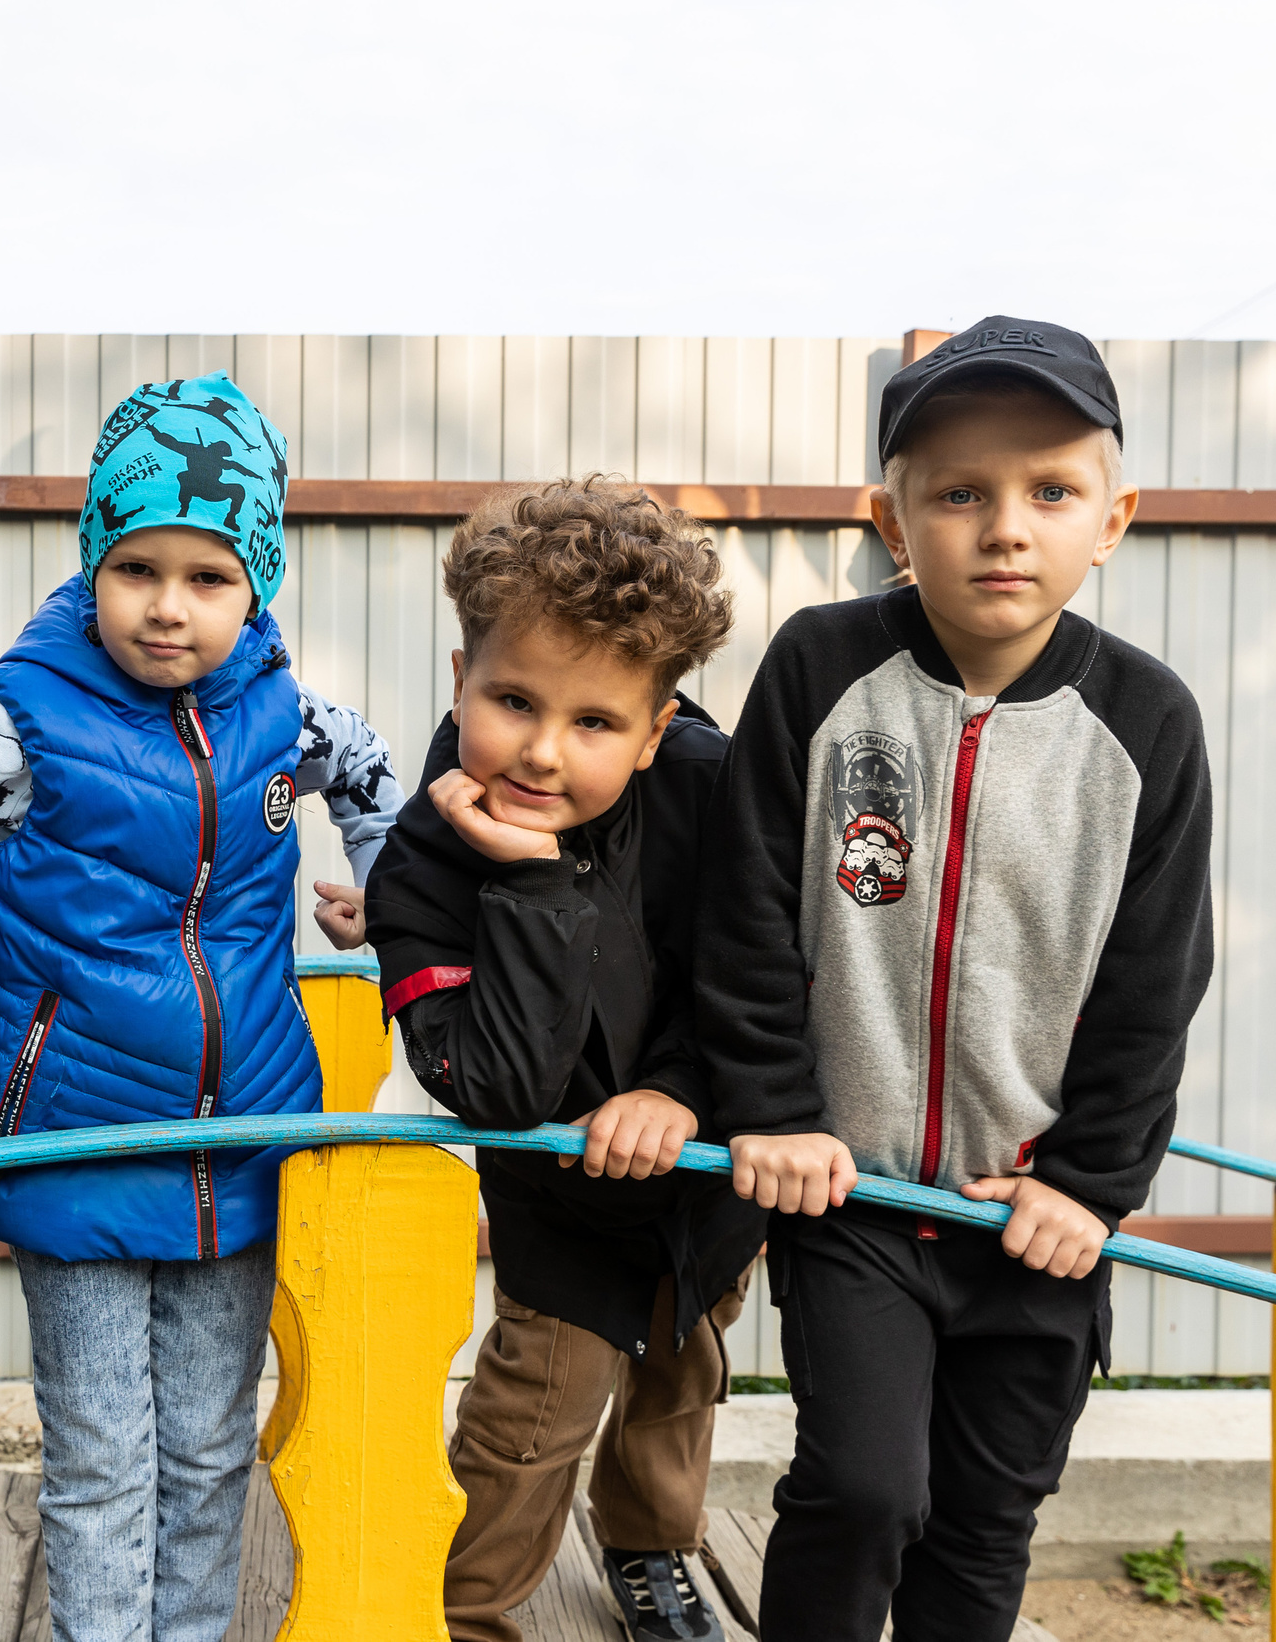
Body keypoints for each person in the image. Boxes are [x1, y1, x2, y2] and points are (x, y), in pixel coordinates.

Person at [0, 372, 400, 1642]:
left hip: (239, 1139)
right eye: (137, 569)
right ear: (93, 565)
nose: (169, 607)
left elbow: (388, 774)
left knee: (212, 1449)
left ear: (259, 581)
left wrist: (388, 905)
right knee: (108, 1459)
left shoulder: (282, 714)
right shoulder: (14, 726)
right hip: (77, 1139)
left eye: (209, 577)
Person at [693, 318, 1214, 1642]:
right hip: (855, 1192)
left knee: (983, 1523)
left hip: (1028, 1216)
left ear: (1115, 517)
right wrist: (772, 1106)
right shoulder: (819, 669)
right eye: (959, 491)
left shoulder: (1148, 724)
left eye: (1050, 490)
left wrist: (1088, 1181)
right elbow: (746, 904)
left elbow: (1154, 979)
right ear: (892, 516)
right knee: (865, 1486)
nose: (1004, 526)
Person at [364, 479, 758, 1642]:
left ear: (656, 728)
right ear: (458, 681)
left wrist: (680, 1094)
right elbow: (496, 1088)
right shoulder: (423, 874)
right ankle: (463, 1610)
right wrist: (529, 878)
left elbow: (759, 982)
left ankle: (648, 1549)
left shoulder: (714, 795)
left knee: (680, 1384)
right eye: (512, 701)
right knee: (531, 1417)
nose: (540, 752)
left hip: (703, 1193)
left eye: (594, 722)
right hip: (561, 1211)